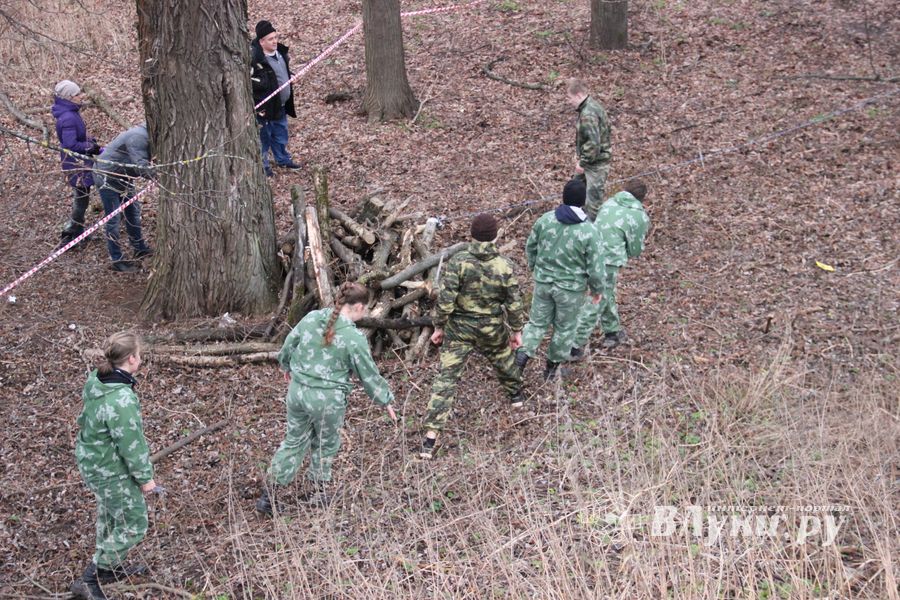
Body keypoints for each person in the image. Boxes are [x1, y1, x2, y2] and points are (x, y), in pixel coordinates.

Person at [256, 282, 397, 515]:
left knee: (293, 441)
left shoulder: (312, 317)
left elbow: (289, 343)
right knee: (325, 443)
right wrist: (386, 400)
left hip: (297, 392)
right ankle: (318, 492)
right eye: (366, 308)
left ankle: (268, 497)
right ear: (359, 307)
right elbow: (368, 373)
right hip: (327, 400)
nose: (366, 312)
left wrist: (286, 366)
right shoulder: (353, 337)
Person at [420, 214, 526, 460]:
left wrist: (439, 327)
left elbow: (446, 300)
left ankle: (430, 437)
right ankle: (516, 398)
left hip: (460, 329)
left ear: (472, 235)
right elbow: (514, 303)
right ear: (495, 236)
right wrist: (517, 331)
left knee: (446, 379)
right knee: (504, 361)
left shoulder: (458, 262)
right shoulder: (504, 265)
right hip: (491, 328)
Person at [71, 331, 159, 600]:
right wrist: (145, 479)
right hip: (109, 468)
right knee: (135, 522)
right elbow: (131, 445)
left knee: (111, 513)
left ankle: (108, 568)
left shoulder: (98, 379)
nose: (140, 359)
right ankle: (91, 578)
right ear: (131, 359)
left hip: (92, 460)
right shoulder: (121, 398)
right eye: (139, 355)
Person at [515, 179, 604, 380]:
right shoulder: (589, 231)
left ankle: (519, 360)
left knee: (536, 324)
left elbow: (531, 247)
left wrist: (535, 269)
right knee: (565, 329)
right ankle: (551, 370)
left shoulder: (545, 220)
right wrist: (597, 289)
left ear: (563, 197)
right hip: (570, 291)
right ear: (583, 201)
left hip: (543, 284)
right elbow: (596, 266)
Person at [572, 179, 651, 351]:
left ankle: (612, 331)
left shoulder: (609, 203)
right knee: (597, 298)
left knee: (605, 292)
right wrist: (625, 252)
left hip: (588, 251)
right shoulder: (639, 216)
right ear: (642, 198)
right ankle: (575, 345)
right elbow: (636, 248)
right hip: (608, 259)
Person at [93, 124, 154, 273]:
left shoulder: (146, 136)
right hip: (107, 177)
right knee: (113, 219)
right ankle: (117, 259)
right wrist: (160, 176)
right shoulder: (138, 137)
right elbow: (141, 166)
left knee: (133, 212)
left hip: (123, 176)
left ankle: (139, 248)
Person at [52, 80, 102, 249]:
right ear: (69, 97)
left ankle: (78, 233)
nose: (81, 96)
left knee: (82, 198)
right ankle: (69, 234)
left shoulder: (71, 112)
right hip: (76, 164)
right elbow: (70, 145)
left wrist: (91, 142)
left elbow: (77, 138)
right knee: (81, 200)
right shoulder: (68, 117)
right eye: (77, 94)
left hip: (80, 161)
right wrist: (90, 148)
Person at [250, 20, 301, 177]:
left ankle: (282, 159)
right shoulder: (256, 60)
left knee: (280, 133)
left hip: (281, 105)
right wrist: (264, 84)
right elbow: (251, 83)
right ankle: (264, 166)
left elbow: (282, 72)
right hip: (265, 107)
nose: (274, 41)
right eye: (270, 39)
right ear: (261, 41)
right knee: (264, 137)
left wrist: (290, 76)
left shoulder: (281, 53)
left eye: (275, 37)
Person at [566, 78, 612, 222]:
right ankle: (573, 222)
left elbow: (594, 144)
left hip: (595, 165)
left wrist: (583, 163)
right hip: (590, 161)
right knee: (574, 193)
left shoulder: (588, 114)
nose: (569, 101)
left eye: (570, 97)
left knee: (593, 204)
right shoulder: (591, 106)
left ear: (579, 95)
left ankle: (592, 230)